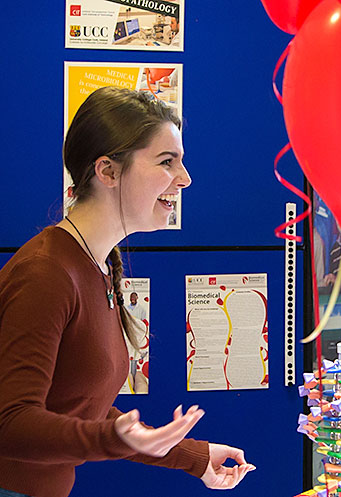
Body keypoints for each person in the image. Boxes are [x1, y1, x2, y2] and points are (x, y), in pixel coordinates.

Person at [0, 87, 253, 497]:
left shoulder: (94, 264)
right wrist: (114, 438)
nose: (185, 179)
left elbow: (81, 408)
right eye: (167, 162)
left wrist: (194, 457)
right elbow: (10, 424)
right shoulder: (46, 273)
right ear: (108, 171)